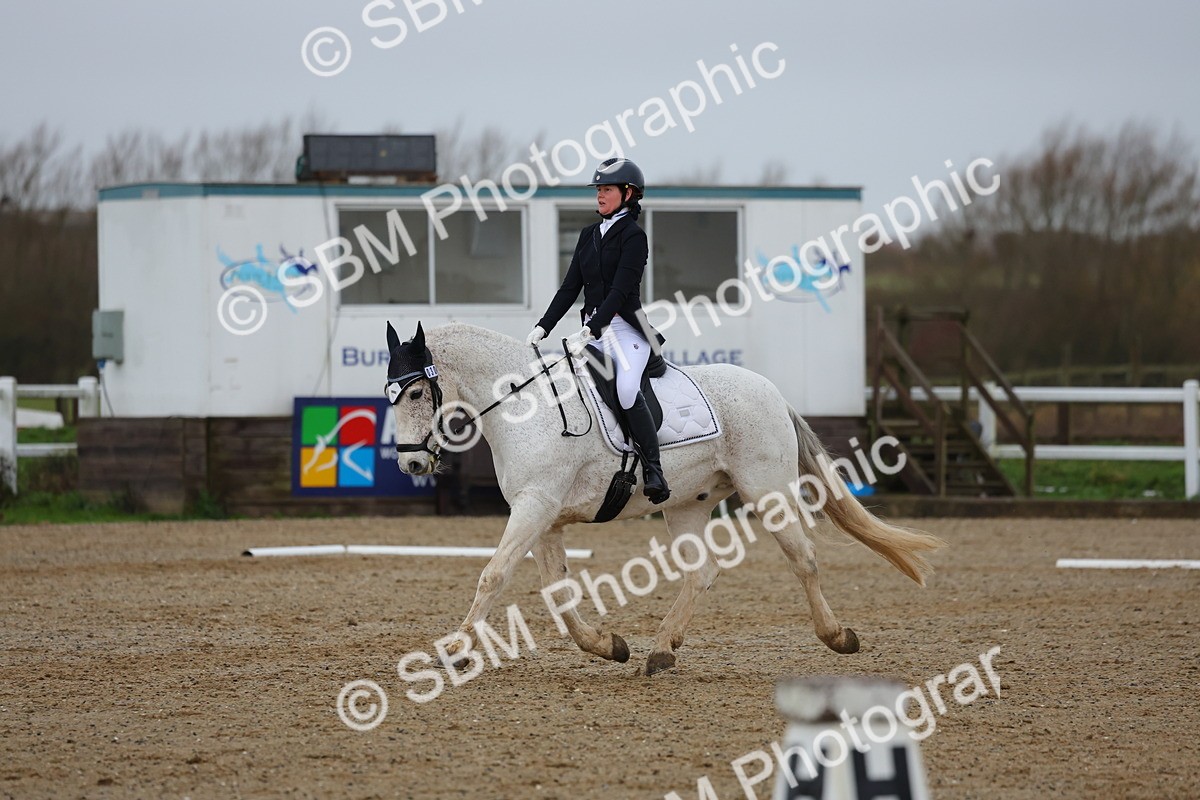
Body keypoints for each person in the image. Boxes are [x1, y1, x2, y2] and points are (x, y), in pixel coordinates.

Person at [526, 157, 670, 504]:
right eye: (599, 190)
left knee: (623, 388)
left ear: (629, 193)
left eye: (607, 189)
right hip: (591, 330)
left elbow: (621, 292)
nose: (600, 196)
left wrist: (592, 328)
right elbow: (569, 288)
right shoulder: (589, 234)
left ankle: (654, 470)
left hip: (626, 330)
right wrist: (543, 326)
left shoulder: (635, 237)